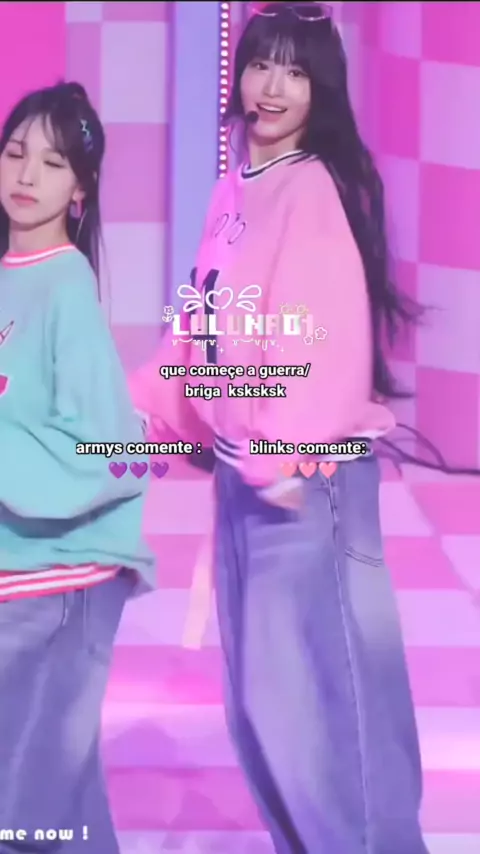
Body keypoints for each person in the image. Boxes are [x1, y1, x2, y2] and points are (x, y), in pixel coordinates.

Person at [130, 4, 430, 852]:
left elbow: (322, 339)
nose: (271, 86)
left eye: (295, 72)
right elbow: (201, 326)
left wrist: (280, 452)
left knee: (328, 712)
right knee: (266, 709)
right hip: (248, 479)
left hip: (305, 485)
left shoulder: (312, 190)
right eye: (262, 64)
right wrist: (145, 411)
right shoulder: (237, 188)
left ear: (319, 89)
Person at [0, 82, 154, 853]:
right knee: (57, 806)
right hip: (25, 574)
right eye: (15, 153)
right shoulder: (12, 277)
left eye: (53, 162)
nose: (27, 175)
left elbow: (109, 448)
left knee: (24, 810)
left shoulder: (66, 286)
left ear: (81, 190)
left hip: (59, 579)